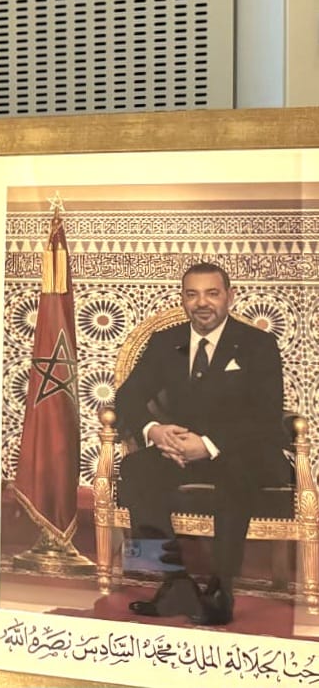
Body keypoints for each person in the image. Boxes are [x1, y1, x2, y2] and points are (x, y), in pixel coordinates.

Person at [114, 262, 290, 625]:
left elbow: (266, 415)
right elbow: (127, 397)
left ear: (229, 296)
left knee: (235, 471)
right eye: (192, 294)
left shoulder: (257, 344)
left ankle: (221, 590)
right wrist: (154, 431)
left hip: (243, 450)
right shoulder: (166, 342)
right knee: (135, 468)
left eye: (212, 293)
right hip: (181, 449)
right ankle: (172, 582)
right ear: (182, 299)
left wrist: (208, 444)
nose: (202, 303)